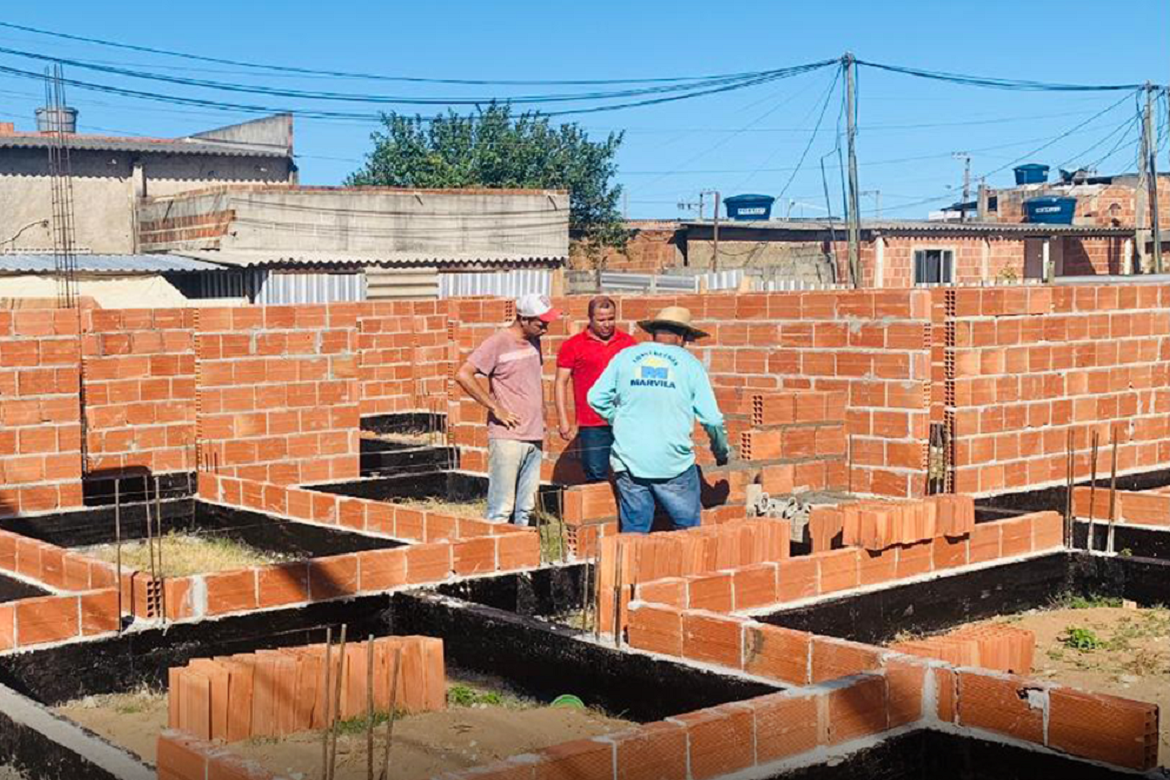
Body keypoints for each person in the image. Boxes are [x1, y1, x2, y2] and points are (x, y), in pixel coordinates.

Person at [587, 306, 730, 533]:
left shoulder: (626, 356)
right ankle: (682, 569)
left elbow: (595, 397)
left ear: (654, 333)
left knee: (634, 531)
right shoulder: (690, 364)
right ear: (682, 337)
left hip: (628, 460)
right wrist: (721, 450)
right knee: (688, 532)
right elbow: (712, 419)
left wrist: (619, 419)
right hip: (673, 464)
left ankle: (631, 568)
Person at [455, 293, 560, 526]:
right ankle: (493, 558)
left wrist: (543, 416)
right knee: (501, 508)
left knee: (526, 509)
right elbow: (463, 374)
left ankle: (520, 557)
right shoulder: (498, 343)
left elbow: (534, 380)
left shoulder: (534, 341)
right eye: (541, 323)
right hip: (508, 437)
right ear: (523, 319)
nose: (546, 328)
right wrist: (496, 409)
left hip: (534, 435)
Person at [554, 296, 636, 483]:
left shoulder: (628, 343)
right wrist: (563, 420)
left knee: (628, 474)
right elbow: (560, 382)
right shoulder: (573, 345)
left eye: (611, 319)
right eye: (601, 320)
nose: (607, 324)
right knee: (596, 475)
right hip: (592, 423)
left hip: (624, 420)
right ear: (590, 319)